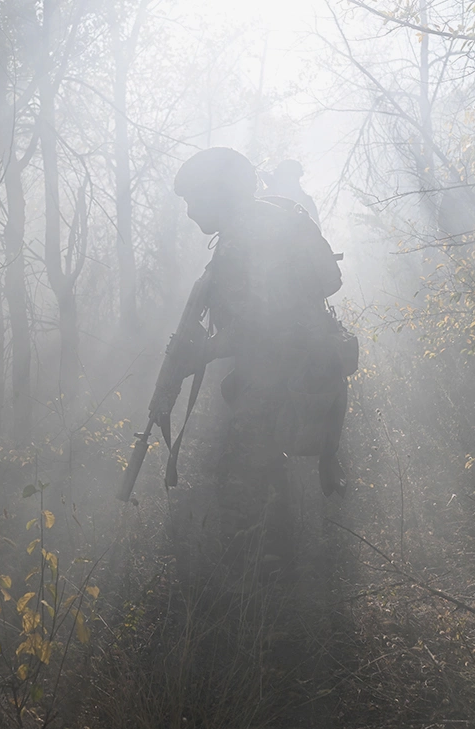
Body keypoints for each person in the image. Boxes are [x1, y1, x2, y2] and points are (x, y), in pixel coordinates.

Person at [169, 147, 351, 565]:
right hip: (296, 370)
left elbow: (261, 320)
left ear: (221, 194)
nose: (191, 211)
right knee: (265, 468)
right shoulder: (261, 224)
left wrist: (204, 352)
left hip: (284, 374)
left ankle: (251, 585)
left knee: (238, 478)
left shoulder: (245, 239)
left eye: (195, 199)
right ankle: (275, 563)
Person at [262, 159, 320, 228]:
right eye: (285, 176)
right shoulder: (267, 197)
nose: (290, 180)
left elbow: (315, 232)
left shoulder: (306, 202)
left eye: (292, 176)